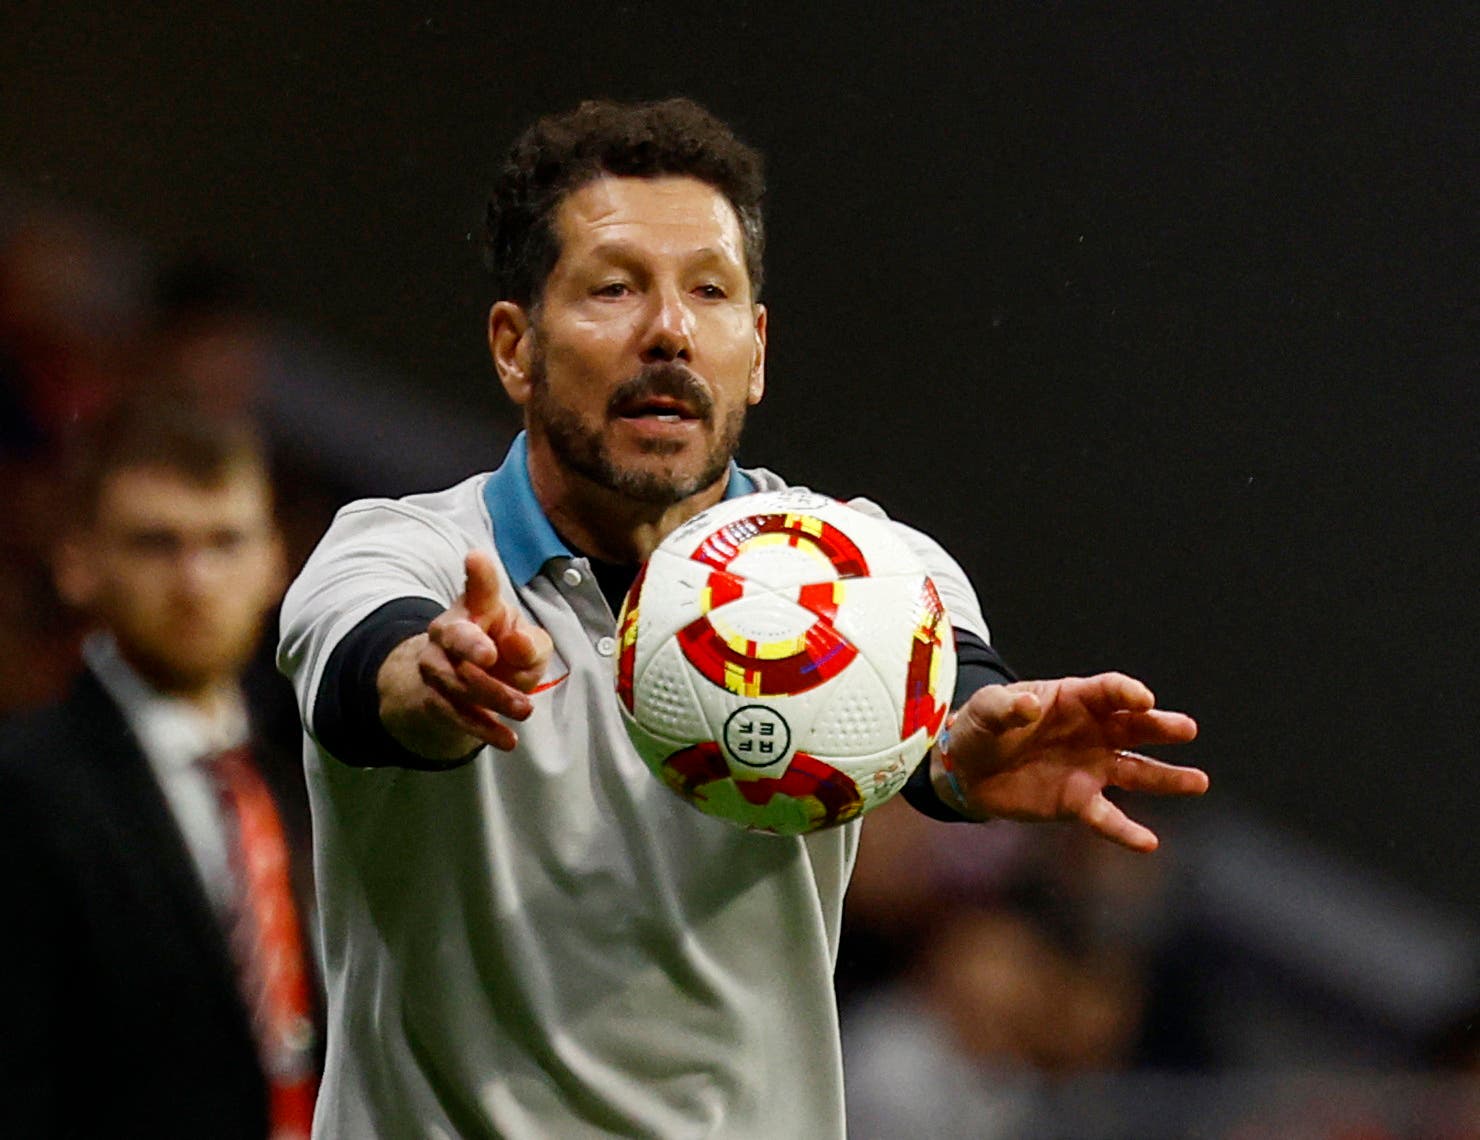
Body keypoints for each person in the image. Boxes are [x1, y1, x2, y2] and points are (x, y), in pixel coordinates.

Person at [277, 97, 1208, 1139]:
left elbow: (956, 703)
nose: (668, 330)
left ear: (754, 350)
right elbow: (373, 672)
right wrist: (441, 685)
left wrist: (960, 766)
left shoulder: (868, 572)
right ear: (514, 345)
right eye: (614, 287)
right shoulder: (397, 551)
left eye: (709, 292)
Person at [0, 398, 321, 1139]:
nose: (195, 580)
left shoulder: (306, 776)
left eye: (226, 541)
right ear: (78, 561)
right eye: (156, 544)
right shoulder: (24, 788)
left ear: (276, 560)